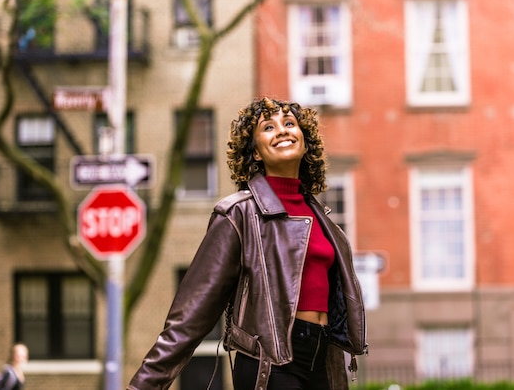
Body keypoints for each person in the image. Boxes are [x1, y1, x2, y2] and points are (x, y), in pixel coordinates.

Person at [127, 97, 367, 390]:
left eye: (289, 124)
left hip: (325, 360)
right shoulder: (238, 214)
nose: (282, 130)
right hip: (271, 364)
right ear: (254, 153)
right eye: (268, 127)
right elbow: (189, 318)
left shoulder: (326, 224)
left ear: (306, 144)